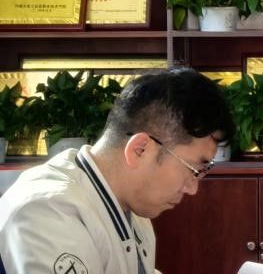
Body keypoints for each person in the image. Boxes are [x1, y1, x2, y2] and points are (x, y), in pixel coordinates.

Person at [0, 68, 234, 273]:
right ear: (140, 149)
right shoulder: (48, 211)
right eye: (193, 169)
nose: (192, 188)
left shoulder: (132, 203)